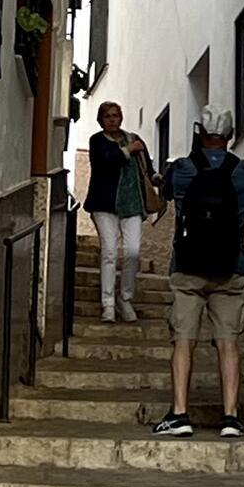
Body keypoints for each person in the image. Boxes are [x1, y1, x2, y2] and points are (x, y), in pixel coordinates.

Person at [151, 103, 244, 440]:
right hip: (231, 267)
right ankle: (230, 417)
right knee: (229, 344)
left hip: (187, 268)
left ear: (201, 134)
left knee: (183, 341)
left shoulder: (182, 169)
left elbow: (165, 194)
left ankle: (179, 413)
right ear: (228, 136)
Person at [85, 101, 152, 323]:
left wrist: (156, 179)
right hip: (104, 205)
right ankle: (108, 305)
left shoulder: (133, 138)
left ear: (121, 117)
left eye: (115, 115)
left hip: (132, 204)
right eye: (107, 116)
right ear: (101, 120)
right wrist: (126, 151)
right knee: (110, 252)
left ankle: (125, 298)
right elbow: (104, 162)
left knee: (133, 251)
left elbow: (146, 168)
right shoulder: (97, 141)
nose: (112, 119)